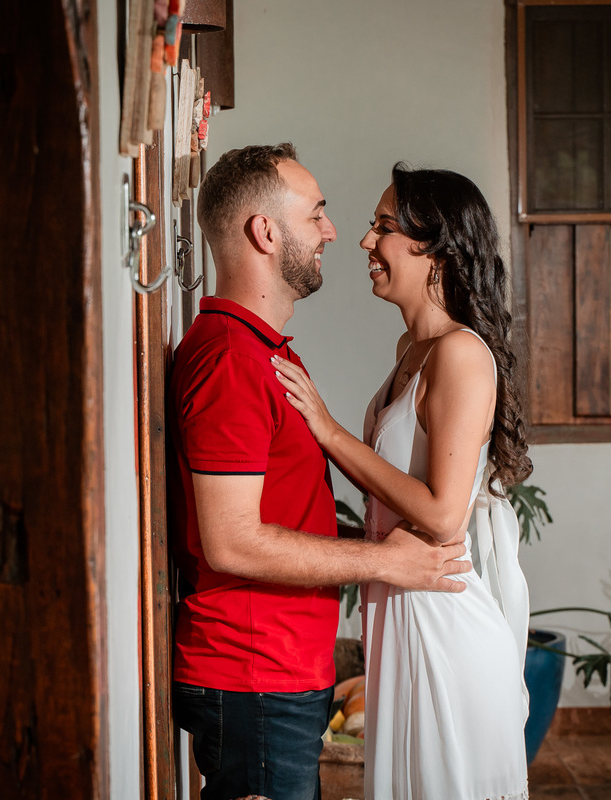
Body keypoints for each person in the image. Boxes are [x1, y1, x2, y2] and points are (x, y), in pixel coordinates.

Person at [168, 143, 474, 800]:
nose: (337, 232)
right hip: (254, 678)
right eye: (318, 214)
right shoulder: (231, 362)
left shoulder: (264, 353)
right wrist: (386, 564)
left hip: (276, 671)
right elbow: (231, 541)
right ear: (265, 232)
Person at [274, 164, 532, 800]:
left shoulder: (462, 354)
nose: (366, 242)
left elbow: (445, 516)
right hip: (401, 612)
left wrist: (330, 433)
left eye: (383, 227)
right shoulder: (410, 351)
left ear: (436, 249)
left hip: (444, 625)